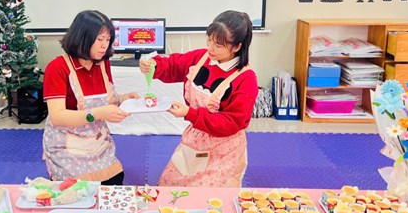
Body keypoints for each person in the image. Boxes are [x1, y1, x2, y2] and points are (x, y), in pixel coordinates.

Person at [140, 10, 258, 187]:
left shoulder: (246, 79)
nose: (210, 48)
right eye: (209, 40)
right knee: (169, 186)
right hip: (195, 141)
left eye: (218, 45)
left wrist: (190, 114)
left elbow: (232, 122)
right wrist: (154, 65)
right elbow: (174, 65)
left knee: (211, 196)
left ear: (236, 47)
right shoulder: (202, 58)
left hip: (225, 149)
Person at [43, 10, 139, 185]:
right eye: (100, 39)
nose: (105, 46)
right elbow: (57, 117)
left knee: (115, 180)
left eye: (108, 40)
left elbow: (106, 99)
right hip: (67, 146)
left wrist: (125, 99)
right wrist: (98, 113)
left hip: (98, 142)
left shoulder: (102, 63)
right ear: (82, 38)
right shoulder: (57, 68)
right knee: (80, 191)